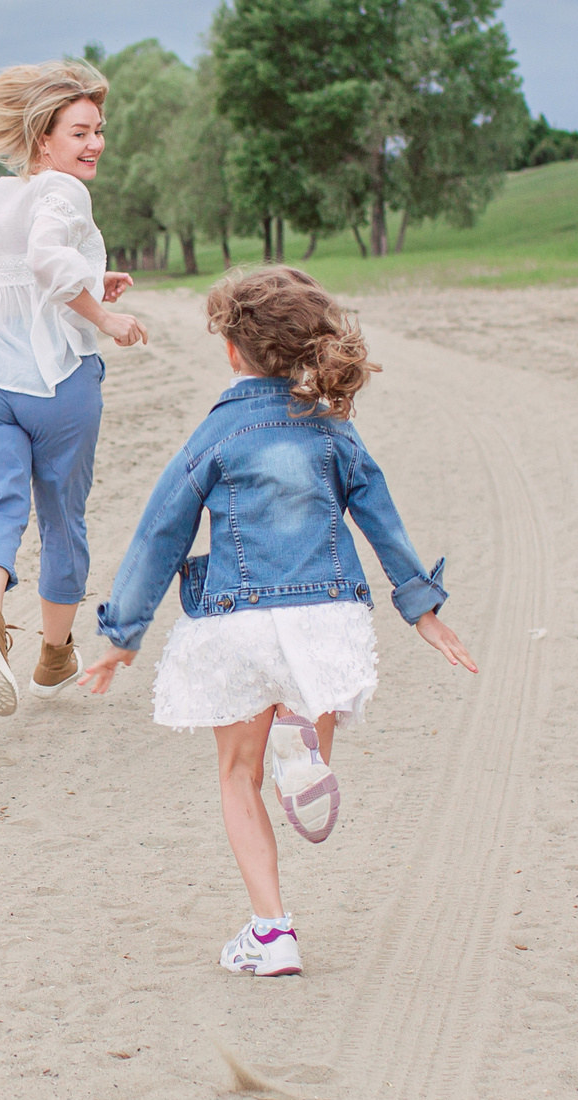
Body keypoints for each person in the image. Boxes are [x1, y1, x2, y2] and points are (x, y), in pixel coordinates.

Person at [84, 267, 475, 977]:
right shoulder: (332, 432)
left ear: (234, 351)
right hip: (326, 620)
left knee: (239, 776)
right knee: (303, 745)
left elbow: (158, 535)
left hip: (238, 623)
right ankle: (307, 749)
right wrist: (423, 610)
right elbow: (381, 518)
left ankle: (272, 933)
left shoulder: (217, 433)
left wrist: (121, 637)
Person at [0, 60, 150, 716]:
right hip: (55, 384)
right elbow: (46, 261)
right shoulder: (65, 193)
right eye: (80, 132)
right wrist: (105, 317)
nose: (94, 143)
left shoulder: (0, 193)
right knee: (62, 517)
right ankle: (55, 655)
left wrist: (94, 283)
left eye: (98, 130)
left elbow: (22, 279)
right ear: (45, 139)